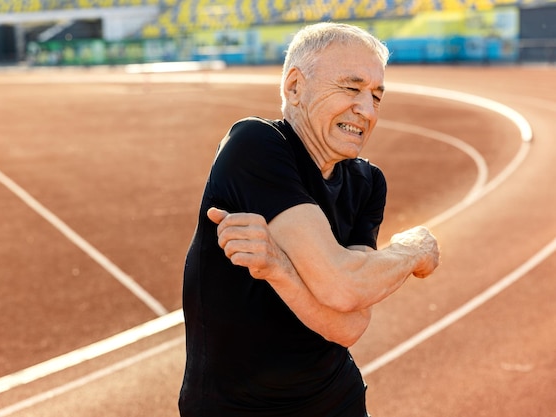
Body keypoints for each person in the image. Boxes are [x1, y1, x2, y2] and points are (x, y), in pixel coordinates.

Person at [179, 22, 440, 417]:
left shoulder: (368, 182)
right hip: (235, 409)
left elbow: (349, 325)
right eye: (351, 88)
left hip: (336, 400)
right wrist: (413, 250)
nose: (366, 110)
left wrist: (279, 269)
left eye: (376, 96)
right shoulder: (255, 145)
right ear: (295, 87)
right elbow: (344, 284)